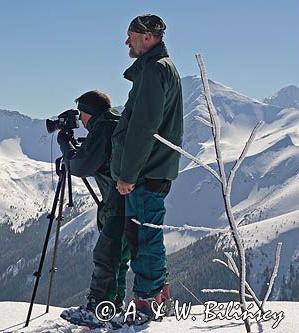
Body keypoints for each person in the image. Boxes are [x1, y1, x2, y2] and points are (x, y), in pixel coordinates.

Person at [111, 14, 183, 325]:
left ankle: (146, 304)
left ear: (148, 37)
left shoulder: (154, 71)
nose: (126, 42)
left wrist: (127, 174)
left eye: (131, 36)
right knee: (145, 233)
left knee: (143, 236)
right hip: (154, 168)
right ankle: (158, 295)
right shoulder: (159, 69)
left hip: (146, 170)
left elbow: (143, 128)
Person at [57, 90, 130, 329]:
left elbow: (80, 166)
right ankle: (113, 306)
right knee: (118, 257)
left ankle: (97, 309)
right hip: (129, 203)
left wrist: (66, 146)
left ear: (90, 113)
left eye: (81, 114)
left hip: (118, 204)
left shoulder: (103, 128)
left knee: (106, 255)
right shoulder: (115, 123)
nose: (80, 120)